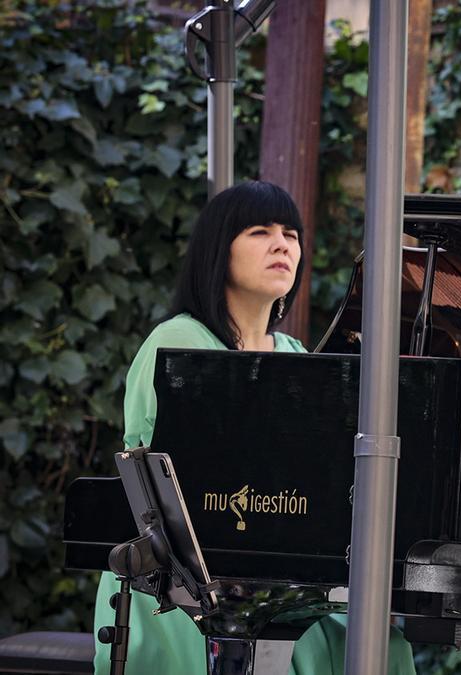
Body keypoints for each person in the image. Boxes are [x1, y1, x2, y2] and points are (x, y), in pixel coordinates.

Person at [92, 181, 416, 675]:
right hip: (182, 585)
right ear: (219, 249)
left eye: (290, 233)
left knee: (379, 643)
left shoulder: (294, 355)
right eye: (260, 231)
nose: (282, 243)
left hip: (276, 579)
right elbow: (155, 479)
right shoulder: (179, 340)